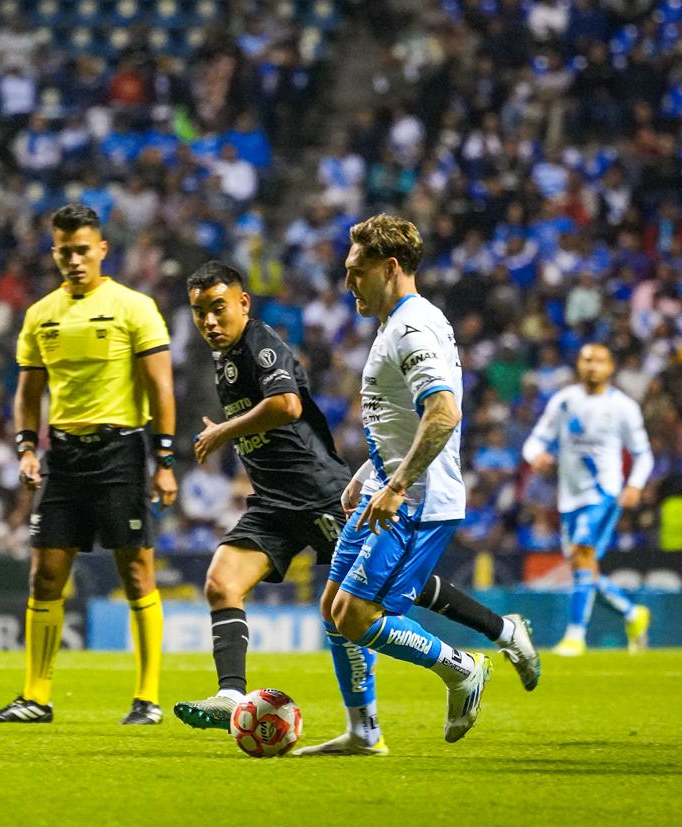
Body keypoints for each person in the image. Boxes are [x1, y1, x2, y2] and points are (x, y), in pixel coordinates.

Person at [173, 261, 539, 739]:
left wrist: (223, 431)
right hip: (272, 503)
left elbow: (288, 405)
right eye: (199, 312)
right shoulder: (223, 361)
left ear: (244, 302)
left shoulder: (260, 346)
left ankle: (496, 635)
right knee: (223, 582)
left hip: (315, 491)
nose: (209, 321)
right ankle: (233, 696)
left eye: (218, 308)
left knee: (382, 598)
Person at [299, 214, 493, 756]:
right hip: (390, 488)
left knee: (358, 616)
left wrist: (397, 484)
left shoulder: (412, 328)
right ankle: (364, 731)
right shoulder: (397, 324)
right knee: (334, 605)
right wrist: (369, 475)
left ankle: (462, 668)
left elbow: (443, 413)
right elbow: (403, 421)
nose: (347, 283)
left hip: (417, 499)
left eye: (355, 271)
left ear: (389, 267)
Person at [0, 203, 178, 725]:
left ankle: (148, 698)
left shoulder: (134, 307)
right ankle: (35, 697)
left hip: (120, 453)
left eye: (83, 249)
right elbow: (28, 392)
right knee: (45, 575)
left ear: (102, 249)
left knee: (136, 571)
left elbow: (161, 386)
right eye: (64, 251)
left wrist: (164, 460)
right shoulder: (40, 314)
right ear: (54, 252)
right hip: (64, 455)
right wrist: (26, 448)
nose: (74, 259)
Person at [522, 343, 654, 655]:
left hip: (604, 493)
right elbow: (535, 440)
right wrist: (535, 456)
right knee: (584, 567)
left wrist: (634, 485)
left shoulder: (623, 406)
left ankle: (575, 635)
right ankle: (633, 614)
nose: (591, 366)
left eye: (598, 360)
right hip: (569, 497)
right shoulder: (564, 401)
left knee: (582, 553)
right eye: (585, 360)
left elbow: (643, 453)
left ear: (610, 367)